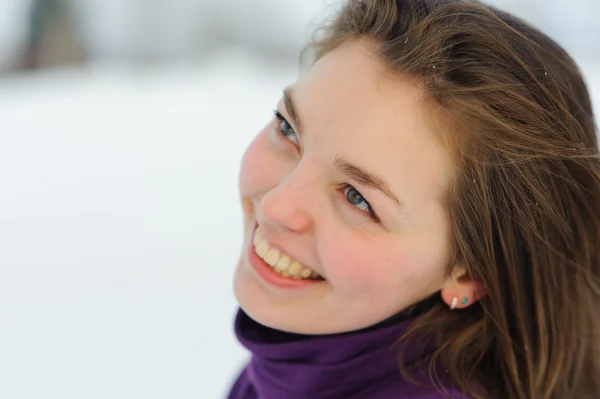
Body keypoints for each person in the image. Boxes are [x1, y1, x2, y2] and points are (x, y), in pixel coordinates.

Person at [227, 0, 600, 398]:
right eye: (288, 129)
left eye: (357, 197)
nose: (275, 206)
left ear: (469, 272)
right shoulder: (291, 364)